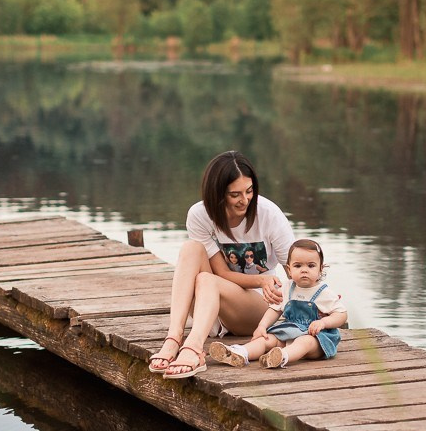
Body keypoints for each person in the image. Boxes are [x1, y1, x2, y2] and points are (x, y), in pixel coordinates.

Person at [148, 151, 295, 379]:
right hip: (214, 301)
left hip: (258, 307)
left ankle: (194, 348)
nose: (244, 200)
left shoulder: (268, 214)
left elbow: (295, 270)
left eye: (249, 191)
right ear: (218, 193)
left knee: (207, 280)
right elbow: (222, 273)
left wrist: (320, 306)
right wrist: (261, 278)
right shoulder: (200, 215)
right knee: (190, 249)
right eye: (235, 194)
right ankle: (174, 338)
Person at [208, 238, 347, 369]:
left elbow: (341, 315)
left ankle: (282, 357)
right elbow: (275, 309)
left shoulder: (324, 292)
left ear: (320, 269)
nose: (304, 270)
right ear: (289, 269)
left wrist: (324, 323)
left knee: (304, 342)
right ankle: (240, 352)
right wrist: (262, 326)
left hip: (317, 339)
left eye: (311, 266)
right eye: (298, 266)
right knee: (267, 339)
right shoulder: (287, 287)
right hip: (290, 332)